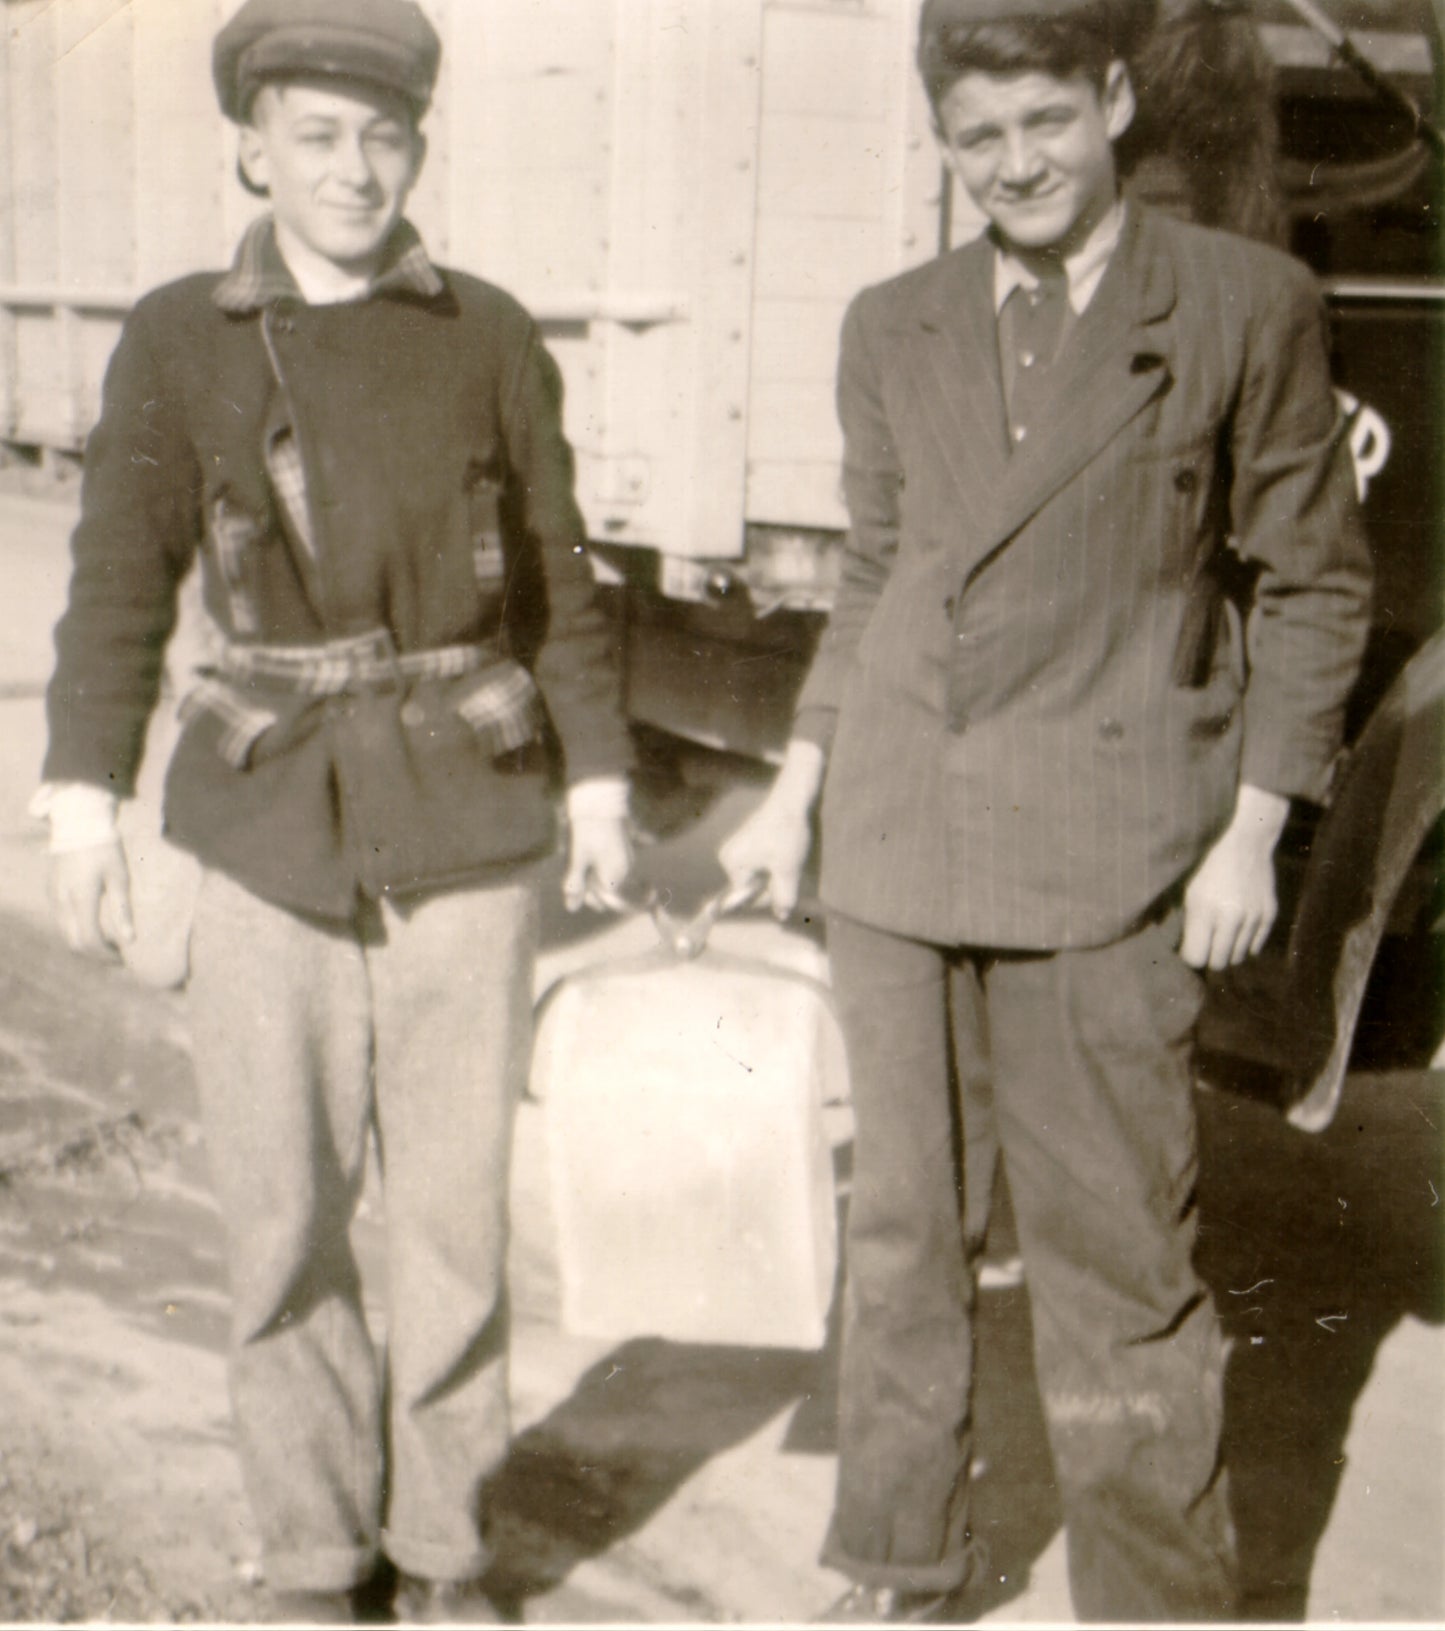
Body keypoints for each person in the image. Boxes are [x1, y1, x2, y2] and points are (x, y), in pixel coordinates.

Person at [720, 0, 1371, 1619]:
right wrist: (786, 793)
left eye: (1041, 123)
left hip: (1108, 855)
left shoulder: (1240, 305)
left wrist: (1253, 826)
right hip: (894, 841)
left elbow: (1312, 586)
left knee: (1117, 1271)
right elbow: (877, 577)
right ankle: (895, 1558)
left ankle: (1156, 1602)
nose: (1012, 164)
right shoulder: (893, 323)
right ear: (943, 146)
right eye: (974, 138)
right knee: (901, 1237)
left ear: (1111, 98)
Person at [34, 0, 633, 1619]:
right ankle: (309, 1555)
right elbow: (115, 587)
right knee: (283, 1224)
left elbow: (565, 585)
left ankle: (444, 1551)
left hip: (467, 815)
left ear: (417, 147)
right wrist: (79, 798)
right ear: (253, 146)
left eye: (383, 135)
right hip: (264, 823)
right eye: (316, 135)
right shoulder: (177, 336)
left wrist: (596, 777)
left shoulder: (490, 332)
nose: (354, 168)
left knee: (450, 1224)